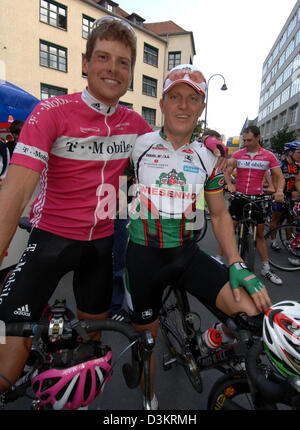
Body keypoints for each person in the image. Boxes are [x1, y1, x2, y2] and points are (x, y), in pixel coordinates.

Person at [0, 17, 153, 398]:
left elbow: (171, 159)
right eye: (103, 57)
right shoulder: (52, 112)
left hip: (101, 247)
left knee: (90, 348)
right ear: (85, 63)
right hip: (50, 238)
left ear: (132, 72)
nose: (112, 69)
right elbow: (16, 190)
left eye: (123, 62)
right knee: (8, 353)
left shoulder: (135, 124)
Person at [125, 64, 272, 409]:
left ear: (202, 107)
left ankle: (207, 341)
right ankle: (148, 398)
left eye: (193, 99)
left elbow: (219, 213)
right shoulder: (139, 145)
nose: (183, 106)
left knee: (252, 314)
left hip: (187, 255)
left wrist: (236, 261)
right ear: (161, 103)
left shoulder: (208, 158)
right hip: (143, 259)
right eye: (174, 97)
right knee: (145, 345)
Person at [215, 125, 285, 285]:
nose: (245, 143)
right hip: (240, 196)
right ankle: (218, 259)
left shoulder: (268, 156)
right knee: (229, 228)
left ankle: (266, 268)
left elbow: (279, 177)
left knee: (260, 234)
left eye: (249, 140)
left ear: (258, 137)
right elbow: (227, 169)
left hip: (257, 198)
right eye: (244, 140)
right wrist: (229, 184)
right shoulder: (239, 154)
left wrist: (279, 191)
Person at [269, 141, 300, 251]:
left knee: (291, 219)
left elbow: (297, 181)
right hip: (279, 195)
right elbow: (275, 182)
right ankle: (273, 241)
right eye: (299, 152)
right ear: (290, 152)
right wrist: (279, 193)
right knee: (276, 219)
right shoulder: (280, 166)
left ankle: (288, 241)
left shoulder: (296, 167)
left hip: (291, 196)